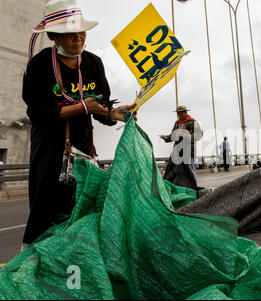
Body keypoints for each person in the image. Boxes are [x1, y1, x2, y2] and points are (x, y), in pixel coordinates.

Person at [22, 0, 137, 245]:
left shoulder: (93, 64)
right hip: (50, 153)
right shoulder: (40, 65)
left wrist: (115, 114)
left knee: (82, 211)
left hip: (83, 151)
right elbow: (37, 113)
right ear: (54, 36)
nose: (78, 38)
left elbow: (100, 109)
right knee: (47, 213)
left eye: (81, 32)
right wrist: (81, 107)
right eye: (70, 34)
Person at [162, 106, 203, 184]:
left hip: (188, 150)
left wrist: (188, 136)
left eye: (180, 113)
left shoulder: (192, 122)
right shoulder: (177, 123)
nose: (179, 115)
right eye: (178, 113)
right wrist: (167, 138)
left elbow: (199, 134)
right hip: (177, 150)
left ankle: (194, 186)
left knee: (190, 169)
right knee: (174, 170)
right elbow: (173, 135)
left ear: (185, 113)